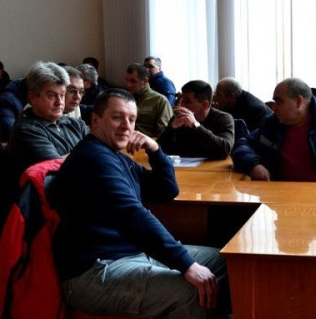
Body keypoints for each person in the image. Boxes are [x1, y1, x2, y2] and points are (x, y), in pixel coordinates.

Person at [49, 88, 229, 318]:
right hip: (94, 272)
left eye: (132, 119)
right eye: (117, 117)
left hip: (130, 255)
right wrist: (187, 265)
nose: (127, 126)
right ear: (95, 120)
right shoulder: (94, 158)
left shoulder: (114, 156)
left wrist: (155, 149)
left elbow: (165, 191)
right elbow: (132, 215)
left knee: (224, 262)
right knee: (190, 291)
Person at [9, 62, 89, 177]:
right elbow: (58, 168)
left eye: (62, 95)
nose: (59, 102)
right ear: (32, 98)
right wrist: (89, 153)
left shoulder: (77, 124)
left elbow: (101, 152)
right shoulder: (26, 130)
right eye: (52, 96)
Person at [158, 80, 235, 159]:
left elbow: (224, 150)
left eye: (187, 101)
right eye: (182, 100)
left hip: (212, 165)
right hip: (183, 165)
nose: (181, 105)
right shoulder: (179, 117)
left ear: (205, 105)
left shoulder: (223, 118)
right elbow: (159, 150)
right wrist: (172, 128)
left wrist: (196, 125)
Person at [125, 63, 173, 137]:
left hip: (148, 142)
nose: (128, 85)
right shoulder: (125, 99)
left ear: (145, 81)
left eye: (133, 81)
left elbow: (165, 132)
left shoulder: (160, 100)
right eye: (127, 80)